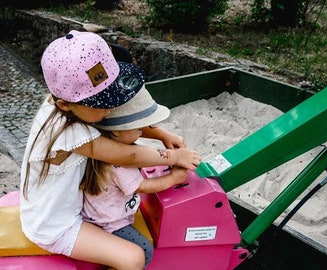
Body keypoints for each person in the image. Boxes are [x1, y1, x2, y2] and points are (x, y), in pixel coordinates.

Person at [19, 30, 201, 270]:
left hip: (67, 208)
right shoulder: (67, 132)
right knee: (134, 258)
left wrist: (160, 133)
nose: (110, 108)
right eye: (102, 103)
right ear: (64, 104)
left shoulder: (69, 106)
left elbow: (118, 125)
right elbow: (128, 155)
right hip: (54, 225)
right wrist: (175, 156)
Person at [81, 84, 188, 267]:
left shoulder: (103, 148)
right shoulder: (120, 161)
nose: (142, 132)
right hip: (110, 223)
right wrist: (173, 178)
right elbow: (143, 186)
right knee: (144, 251)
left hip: (97, 212)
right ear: (117, 131)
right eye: (138, 129)